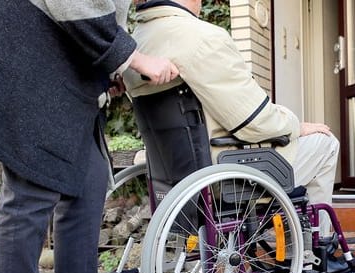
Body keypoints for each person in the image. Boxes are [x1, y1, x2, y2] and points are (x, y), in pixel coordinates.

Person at [0, 1, 178, 273]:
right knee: (30, 193)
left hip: (61, 65)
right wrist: (134, 58)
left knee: (89, 180)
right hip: (28, 60)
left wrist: (111, 67)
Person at [124, 0, 339, 215]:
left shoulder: (134, 47)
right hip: (225, 179)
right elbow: (256, 122)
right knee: (326, 143)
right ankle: (319, 243)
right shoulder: (202, 38)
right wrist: (296, 125)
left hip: (175, 182)